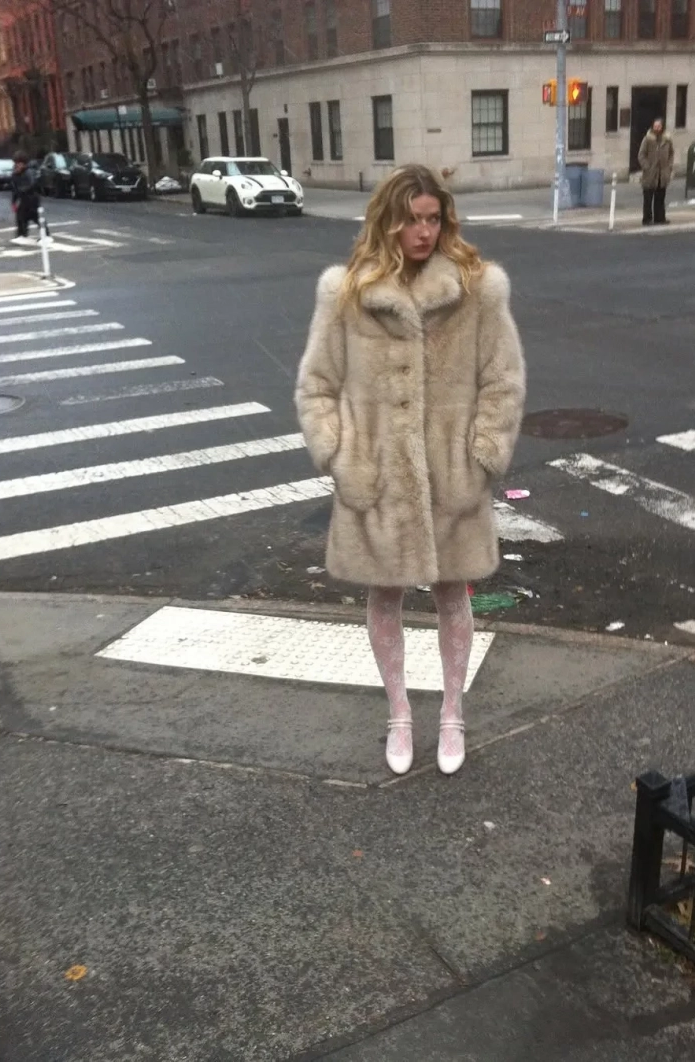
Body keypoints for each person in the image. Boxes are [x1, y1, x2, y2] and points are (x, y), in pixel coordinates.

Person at [295, 164, 526, 777]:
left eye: (433, 219)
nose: (424, 232)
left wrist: (481, 454)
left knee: (454, 595)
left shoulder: (478, 290)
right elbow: (316, 386)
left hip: (452, 479)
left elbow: (503, 381)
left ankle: (452, 713)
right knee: (384, 596)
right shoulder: (346, 294)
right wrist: (342, 457)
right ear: (388, 221)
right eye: (412, 219)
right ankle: (399, 713)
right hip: (377, 481)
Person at [637, 118, 674, 226]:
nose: (657, 128)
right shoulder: (647, 139)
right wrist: (646, 167)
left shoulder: (667, 139)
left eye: (659, 126)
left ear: (662, 127)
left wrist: (669, 166)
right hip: (650, 174)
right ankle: (647, 219)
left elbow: (671, 153)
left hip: (662, 174)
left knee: (660, 197)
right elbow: (641, 155)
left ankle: (660, 218)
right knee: (648, 198)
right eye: (655, 126)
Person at [10, 150, 47, 244]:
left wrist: (21, 190)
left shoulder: (29, 172)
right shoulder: (15, 174)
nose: (17, 165)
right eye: (16, 163)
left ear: (24, 163)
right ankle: (21, 235)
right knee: (20, 218)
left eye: (19, 163)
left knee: (36, 217)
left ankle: (46, 235)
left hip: (32, 199)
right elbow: (14, 189)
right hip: (23, 200)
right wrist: (14, 202)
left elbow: (32, 184)